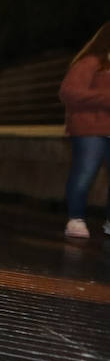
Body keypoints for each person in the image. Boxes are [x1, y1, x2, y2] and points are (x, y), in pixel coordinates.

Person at [59, 22, 110, 238]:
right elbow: (68, 92)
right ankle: (76, 218)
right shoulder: (91, 63)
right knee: (85, 172)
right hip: (90, 128)